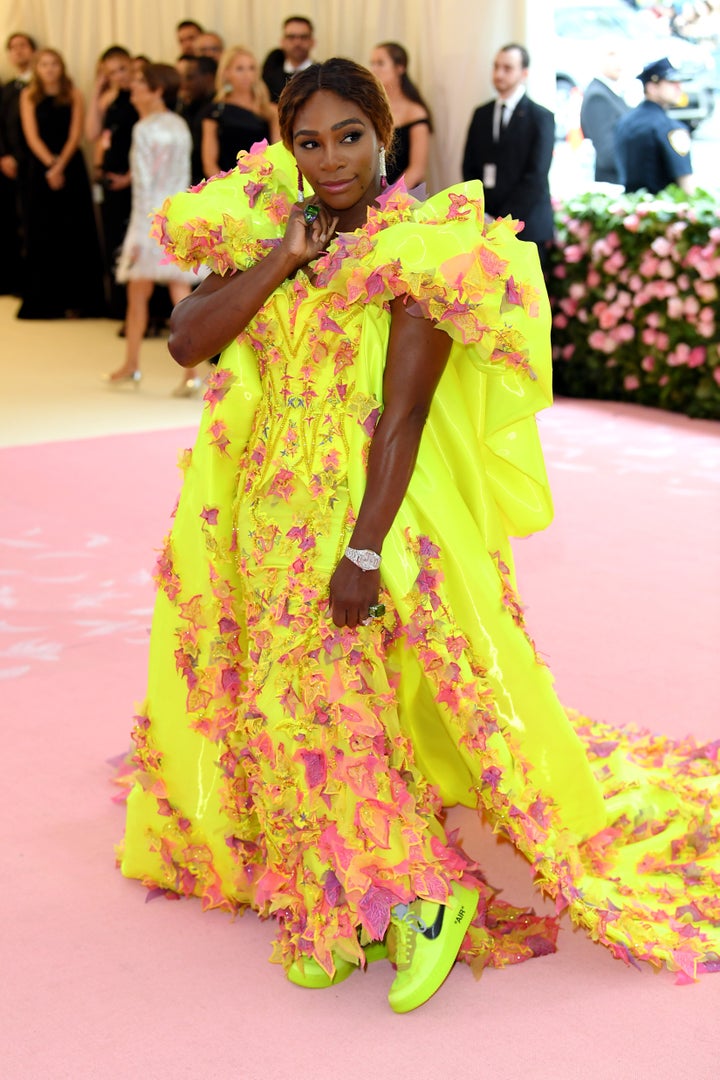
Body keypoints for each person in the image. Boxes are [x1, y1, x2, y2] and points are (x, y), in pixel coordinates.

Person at [118, 57, 720, 1013]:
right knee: (281, 708)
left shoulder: (423, 251)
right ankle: (331, 902)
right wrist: (282, 258)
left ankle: (423, 899)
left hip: (363, 524)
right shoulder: (269, 230)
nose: (330, 160)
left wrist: (362, 553)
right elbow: (188, 338)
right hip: (262, 512)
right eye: (308, 142)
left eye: (349, 137)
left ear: (385, 135)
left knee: (337, 706)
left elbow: (401, 421)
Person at [109, 62, 197, 388]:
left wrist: (141, 230)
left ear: (157, 90)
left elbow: (144, 185)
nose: (132, 88)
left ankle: (132, 364)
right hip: (176, 216)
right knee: (181, 295)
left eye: (139, 83)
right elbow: (184, 178)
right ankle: (192, 373)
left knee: (138, 295)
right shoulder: (180, 125)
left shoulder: (144, 128)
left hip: (149, 219)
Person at [18, 48, 105, 319]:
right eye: (44, 64)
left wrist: (60, 165)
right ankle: (46, 301)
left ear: (62, 67)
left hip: (70, 167)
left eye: (54, 64)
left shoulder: (74, 93)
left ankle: (79, 301)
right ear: (37, 68)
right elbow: (31, 136)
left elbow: (74, 135)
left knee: (74, 230)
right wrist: (49, 165)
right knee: (43, 230)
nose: (49, 69)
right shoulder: (28, 96)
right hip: (39, 168)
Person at [462, 43, 555, 258]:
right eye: (496, 67)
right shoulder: (481, 114)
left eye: (507, 68)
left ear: (524, 73)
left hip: (526, 225)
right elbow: (469, 166)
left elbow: (536, 176)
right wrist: (483, 213)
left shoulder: (540, 118)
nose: (499, 74)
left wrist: (502, 219)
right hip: (486, 224)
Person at [85, 45, 138, 319]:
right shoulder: (108, 99)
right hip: (111, 177)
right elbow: (93, 132)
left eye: (121, 69)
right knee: (114, 242)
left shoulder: (142, 96)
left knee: (133, 244)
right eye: (110, 73)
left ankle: (140, 309)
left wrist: (130, 176)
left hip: (135, 179)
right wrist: (96, 90)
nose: (118, 76)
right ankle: (119, 307)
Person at [614, 56, 695, 194]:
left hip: (630, 208)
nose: (679, 87)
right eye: (671, 82)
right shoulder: (671, 128)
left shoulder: (625, 121)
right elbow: (685, 182)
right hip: (663, 210)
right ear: (652, 87)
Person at [201, 46, 279, 178]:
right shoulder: (215, 112)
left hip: (264, 180)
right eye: (240, 69)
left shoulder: (269, 110)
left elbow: (278, 151)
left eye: (251, 68)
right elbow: (209, 163)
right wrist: (226, 187)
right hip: (227, 184)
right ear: (226, 73)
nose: (247, 74)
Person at [0, 32, 35, 296]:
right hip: (10, 164)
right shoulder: (7, 89)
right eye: (13, 48)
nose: (18, 51)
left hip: (36, 164)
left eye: (22, 46)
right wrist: (4, 155)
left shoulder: (42, 83)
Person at [369, 41, 432, 189]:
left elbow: (417, 169)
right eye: (372, 63)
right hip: (371, 193)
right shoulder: (370, 108)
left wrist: (390, 198)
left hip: (403, 197)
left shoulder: (415, 112)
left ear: (400, 67)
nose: (374, 69)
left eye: (380, 63)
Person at [579, 48, 631, 184]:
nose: (618, 62)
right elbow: (607, 154)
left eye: (620, 55)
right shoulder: (598, 97)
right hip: (613, 183)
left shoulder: (611, 92)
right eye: (611, 55)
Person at [177, 53, 217, 185]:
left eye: (190, 78)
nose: (185, 84)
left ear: (208, 77)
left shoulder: (218, 110)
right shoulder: (187, 107)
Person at [261, 15, 316, 103]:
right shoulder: (268, 77)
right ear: (282, 42)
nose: (297, 42)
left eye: (303, 37)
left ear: (312, 42)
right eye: (291, 37)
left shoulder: (323, 76)